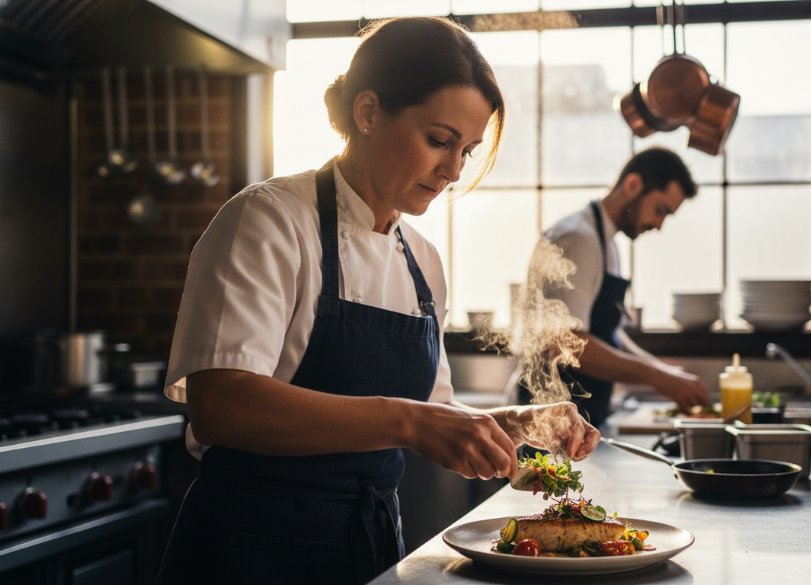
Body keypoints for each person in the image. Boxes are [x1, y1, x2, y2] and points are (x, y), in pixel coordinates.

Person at [156, 17, 599, 585]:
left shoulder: (422, 260)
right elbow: (222, 406)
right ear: (367, 113)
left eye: (467, 150)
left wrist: (514, 426)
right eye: (439, 141)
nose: (453, 171)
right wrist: (409, 422)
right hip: (250, 549)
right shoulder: (267, 220)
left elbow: (435, 413)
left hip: (369, 548)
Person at [518, 148, 709, 427]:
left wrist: (662, 370)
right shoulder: (576, 238)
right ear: (633, 185)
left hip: (584, 416)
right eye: (660, 210)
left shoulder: (606, 243)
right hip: (550, 421)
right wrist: (657, 377)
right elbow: (562, 343)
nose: (658, 225)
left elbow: (608, 334)